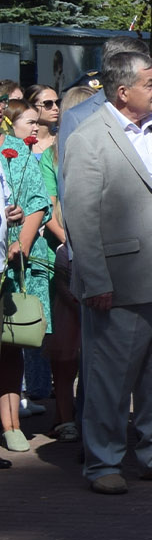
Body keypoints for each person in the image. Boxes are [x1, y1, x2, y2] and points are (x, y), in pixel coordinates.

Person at [64, 51, 152, 494]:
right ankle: (103, 461)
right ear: (123, 91)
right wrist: (96, 280)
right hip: (120, 278)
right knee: (110, 375)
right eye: (150, 83)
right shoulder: (89, 138)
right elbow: (81, 217)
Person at [22, 86, 77, 443]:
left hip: (105, 254)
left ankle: (87, 413)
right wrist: (71, 242)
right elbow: (48, 208)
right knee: (65, 345)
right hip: (65, 255)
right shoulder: (49, 157)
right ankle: (65, 413)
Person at [1, 100, 52, 452]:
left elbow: (37, 202)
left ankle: (10, 424)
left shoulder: (15, 150)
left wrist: (20, 239)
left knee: (7, 347)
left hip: (4, 266)